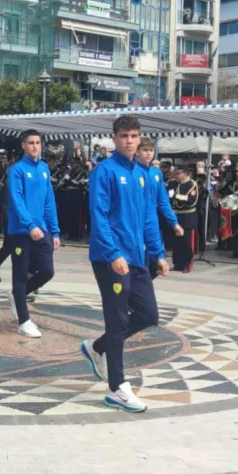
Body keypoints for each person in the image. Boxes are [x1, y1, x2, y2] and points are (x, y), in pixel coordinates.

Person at [78, 115, 168, 414]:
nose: (130, 141)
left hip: (138, 257)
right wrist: (113, 253)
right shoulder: (104, 172)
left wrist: (158, 253)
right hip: (110, 259)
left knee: (149, 314)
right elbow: (99, 216)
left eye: (134, 136)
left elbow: (148, 218)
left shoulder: (142, 174)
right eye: (124, 136)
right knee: (117, 321)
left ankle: (98, 347)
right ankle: (117, 388)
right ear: (115, 138)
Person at [6, 129, 60, 338]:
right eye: (31, 143)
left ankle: (17, 296)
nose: (35, 146)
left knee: (47, 271)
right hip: (21, 232)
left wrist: (54, 230)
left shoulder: (44, 168)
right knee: (20, 276)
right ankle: (24, 321)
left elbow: (49, 201)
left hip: (43, 230)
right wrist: (29, 225)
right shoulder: (17, 170)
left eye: (38, 143)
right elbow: (17, 200)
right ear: (23, 145)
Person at [136, 140, 183, 273]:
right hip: (135, 221)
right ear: (137, 152)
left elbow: (163, 201)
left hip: (151, 220)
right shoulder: (132, 171)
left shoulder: (156, 174)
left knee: (155, 264)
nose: (148, 153)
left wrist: (174, 222)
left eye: (151, 150)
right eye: (145, 150)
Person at [167, 166, 199, 271]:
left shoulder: (191, 184)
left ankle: (187, 265)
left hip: (187, 216)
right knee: (176, 242)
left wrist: (176, 196)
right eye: (175, 174)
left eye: (178, 174)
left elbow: (191, 200)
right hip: (175, 215)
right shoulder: (172, 183)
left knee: (187, 243)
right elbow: (168, 197)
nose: (176, 176)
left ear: (185, 173)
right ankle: (177, 264)